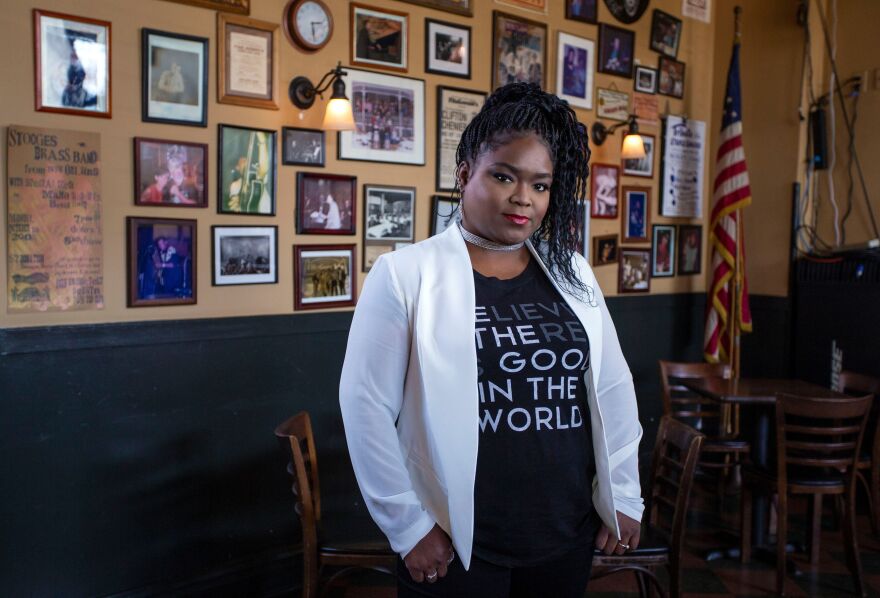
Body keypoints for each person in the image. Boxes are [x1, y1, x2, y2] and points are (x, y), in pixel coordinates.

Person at [340, 83, 643, 597]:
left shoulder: (573, 273)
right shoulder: (405, 274)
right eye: (504, 176)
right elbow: (364, 407)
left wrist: (625, 496)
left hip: (562, 532)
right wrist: (409, 528)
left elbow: (613, 388)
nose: (523, 197)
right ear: (465, 175)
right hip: (457, 539)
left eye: (541, 186)